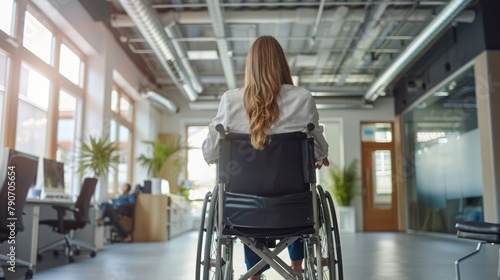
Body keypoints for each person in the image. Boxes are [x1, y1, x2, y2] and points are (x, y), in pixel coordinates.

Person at [202, 35, 330, 280]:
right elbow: (319, 148)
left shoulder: (231, 100)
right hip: (295, 209)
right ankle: (296, 265)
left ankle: (255, 275)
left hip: (242, 211)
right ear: (282, 64)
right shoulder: (303, 97)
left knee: (246, 191)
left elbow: (209, 152)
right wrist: (320, 156)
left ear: (250, 66)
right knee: (303, 188)